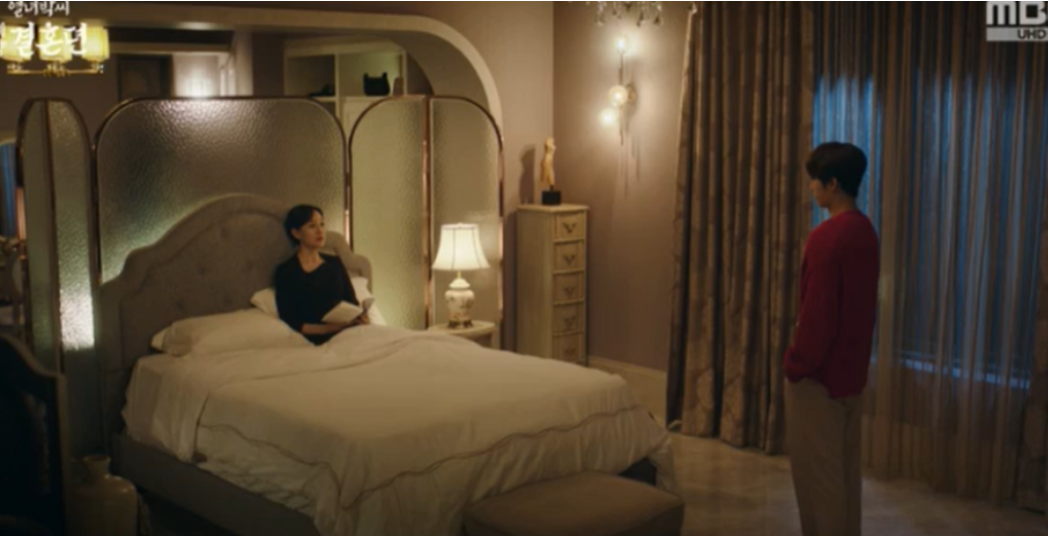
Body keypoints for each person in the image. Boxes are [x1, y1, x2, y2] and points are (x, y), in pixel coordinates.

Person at [784, 142, 879, 536]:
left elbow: (818, 317)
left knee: (818, 484)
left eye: (815, 181)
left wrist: (796, 364)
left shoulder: (827, 238)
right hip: (851, 374)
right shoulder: (865, 231)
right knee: (844, 478)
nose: (811, 188)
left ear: (833, 184)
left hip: (819, 379)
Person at [275, 204, 369, 345]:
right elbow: (292, 321)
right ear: (296, 233)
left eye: (322, 224)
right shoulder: (287, 272)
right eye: (312, 226)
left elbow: (352, 302)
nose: (320, 231)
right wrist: (332, 328)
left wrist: (361, 317)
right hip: (316, 341)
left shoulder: (335, 263)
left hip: (349, 333)